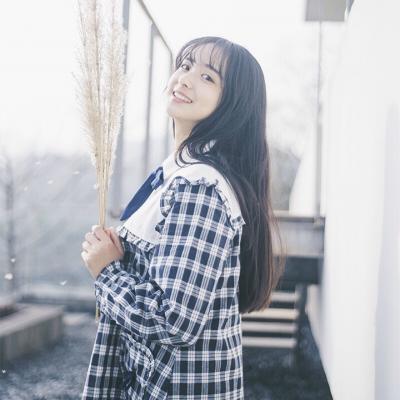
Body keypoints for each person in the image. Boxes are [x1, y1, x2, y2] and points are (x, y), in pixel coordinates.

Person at [80, 36, 285, 400]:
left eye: (208, 77)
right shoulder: (175, 173)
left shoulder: (199, 187)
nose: (186, 78)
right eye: (186, 65)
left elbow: (172, 321)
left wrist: (107, 271)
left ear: (234, 104)